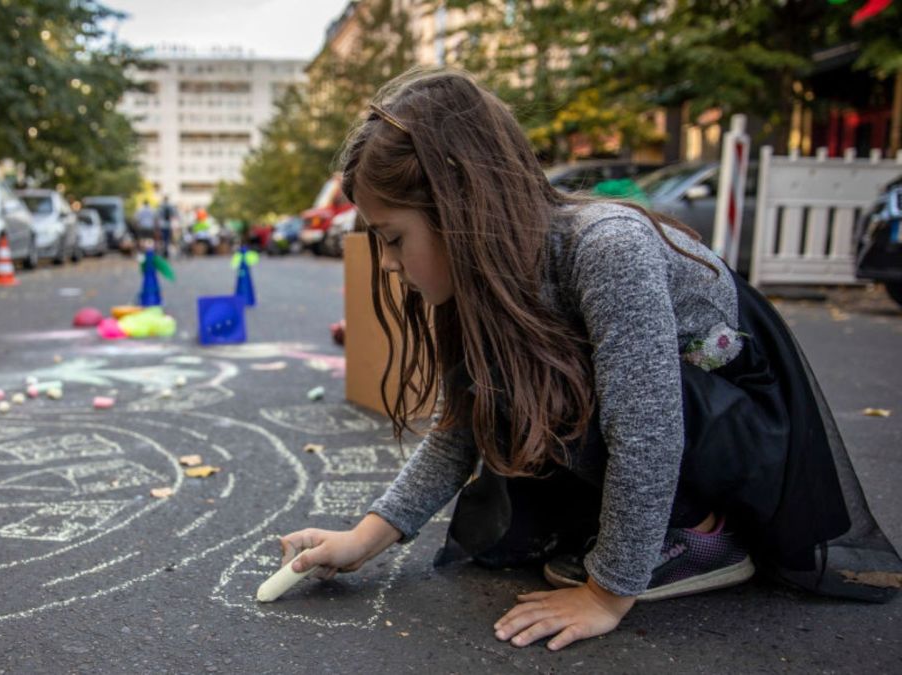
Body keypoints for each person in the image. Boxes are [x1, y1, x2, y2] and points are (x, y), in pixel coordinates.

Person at [279, 69, 900, 651]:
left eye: (392, 239)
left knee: (556, 388)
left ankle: (704, 534)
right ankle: (647, 535)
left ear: (460, 209)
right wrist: (365, 538)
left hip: (740, 432)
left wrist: (605, 595)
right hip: (672, 422)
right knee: (512, 387)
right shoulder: (488, 281)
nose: (386, 263)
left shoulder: (607, 249)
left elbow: (649, 430)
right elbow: (457, 429)